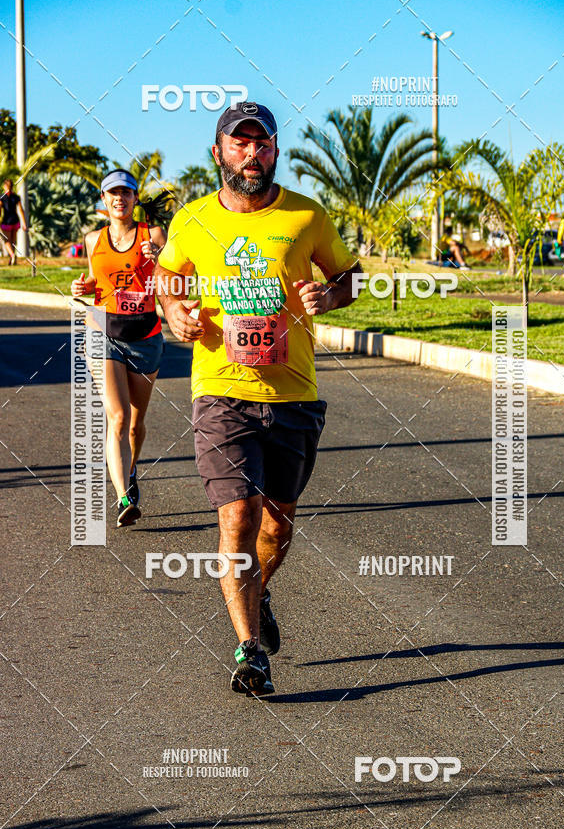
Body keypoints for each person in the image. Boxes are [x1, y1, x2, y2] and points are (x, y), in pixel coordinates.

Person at [154, 102, 362, 696]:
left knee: (277, 528)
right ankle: (250, 652)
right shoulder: (194, 219)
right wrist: (174, 312)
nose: (252, 154)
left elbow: (351, 276)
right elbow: (167, 277)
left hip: (294, 393)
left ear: (274, 151)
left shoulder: (306, 215)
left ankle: (259, 590)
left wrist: (330, 296)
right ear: (218, 151)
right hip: (221, 391)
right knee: (239, 516)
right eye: (240, 143)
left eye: (262, 144)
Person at [71, 169, 166, 527]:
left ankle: (131, 468)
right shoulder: (93, 239)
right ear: (104, 199)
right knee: (118, 417)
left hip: (144, 336)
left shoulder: (153, 235)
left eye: (126, 192)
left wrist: (158, 258)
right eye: (112, 193)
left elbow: (173, 280)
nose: (119, 198)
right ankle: (124, 496)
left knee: (135, 425)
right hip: (102, 330)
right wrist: (84, 288)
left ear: (135, 198)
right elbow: (99, 281)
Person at [1, 179, 28, 265]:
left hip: (6, 222)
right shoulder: (16, 197)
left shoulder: (2, 197)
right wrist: (24, 223)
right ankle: (12, 259)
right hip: (15, 221)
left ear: (4, 186)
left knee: (6, 241)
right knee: (13, 242)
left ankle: (12, 255)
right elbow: (21, 210)